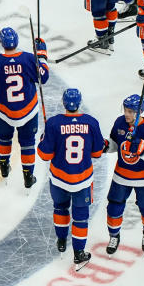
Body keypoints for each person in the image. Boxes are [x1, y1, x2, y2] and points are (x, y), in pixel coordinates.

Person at [36, 88, 107, 268]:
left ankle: (61, 241)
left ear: (63, 103)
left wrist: (43, 139)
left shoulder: (53, 123)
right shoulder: (91, 123)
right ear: (80, 102)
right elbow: (98, 152)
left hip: (59, 179)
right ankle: (78, 254)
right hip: (82, 180)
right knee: (81, 218)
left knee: (60, 208)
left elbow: (44, 155)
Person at [0, 27, 49, 188]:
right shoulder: (28, 58)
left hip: (4, 112)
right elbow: (44, 77)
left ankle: (4, 168)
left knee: (4, 139)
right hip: (28, 111)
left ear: (0, 43)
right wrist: (41, 55)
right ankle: (28, 176)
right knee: (27, 143)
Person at [103, 94, 144, 254]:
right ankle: (114, 236)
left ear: (140, 111)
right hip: (122, 176)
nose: (126, 114)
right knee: (114, 208)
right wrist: (106, 146)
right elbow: (116, 143)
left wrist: (142, 146)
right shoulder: (119, 122)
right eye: (125, 110)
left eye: (131, 111)